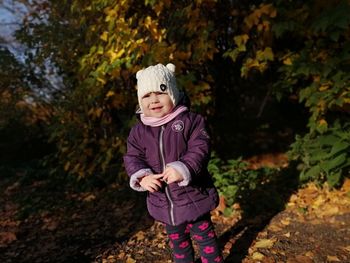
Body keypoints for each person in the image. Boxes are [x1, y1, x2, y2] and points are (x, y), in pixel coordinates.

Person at [123, 63, 223, 263]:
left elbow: (200, 148)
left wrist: (183, 167)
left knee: (205, 239)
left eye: (160, 92)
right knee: (178, 243)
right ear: (140, 102)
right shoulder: (139, 131)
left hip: (193, 196)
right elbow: (133, 157)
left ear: (173, 93)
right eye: (146, 96)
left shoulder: (191, 121)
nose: (154, 100)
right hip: (164, 202)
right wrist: (142, 176)